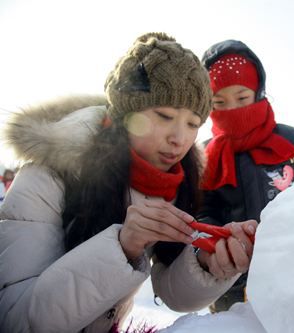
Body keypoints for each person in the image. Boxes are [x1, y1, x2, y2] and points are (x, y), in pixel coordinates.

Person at [0, 32, 256, 332]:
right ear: (126, 114)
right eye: (163, 115)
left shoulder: (174, 183)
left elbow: (171, 293)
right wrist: (122, 247)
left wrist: (208, 266)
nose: (179, 139)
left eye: (193, 124)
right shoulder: (49, 175)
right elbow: (14, 319)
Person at [197, 39, 294, 312]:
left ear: (258, 93)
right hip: (228, 288)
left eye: (242, 98)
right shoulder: (204, 157)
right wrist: (217, 247)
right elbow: (199, 214)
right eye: (220, 102)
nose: (233, 110)